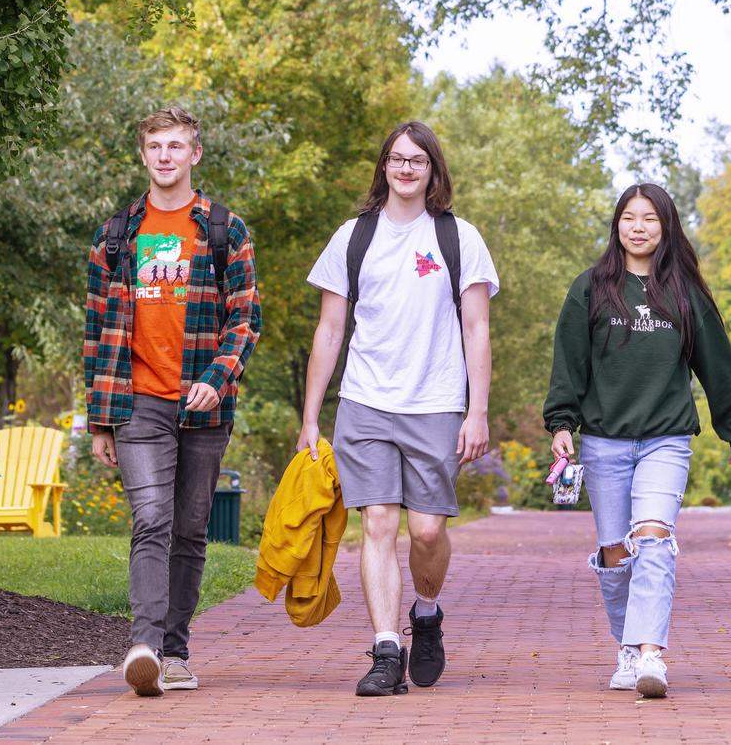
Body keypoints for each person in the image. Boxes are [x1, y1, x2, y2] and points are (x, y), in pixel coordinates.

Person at [297, 121, 498, 696]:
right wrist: (311, 416)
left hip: (436, 403)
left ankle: (426, 614)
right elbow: (330, 330)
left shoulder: (458, 238)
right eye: (396, 159)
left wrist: (476, 410)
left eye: (417, 161)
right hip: (364, 401)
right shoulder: (352, 237)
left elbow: (477, 328)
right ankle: (387, 650)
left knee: (428, 530)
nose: (405, 169)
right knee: (378, 524)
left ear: (433, 170)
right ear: (383, 166)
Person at [542, 183, 731, 699]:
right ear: (617, 226)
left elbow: (717, 364)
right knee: (616, 554)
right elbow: (569, 364)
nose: (639, 227)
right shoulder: (590, 289)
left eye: (651, 219)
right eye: (630, 218)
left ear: (667, 227)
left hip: (666, 438)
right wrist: (561, 423)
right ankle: (627, 649)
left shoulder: (685, 292)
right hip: (604, 441)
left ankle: (651, 652)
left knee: (653, 539)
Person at [83, 106, 262, 697]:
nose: (165, 156)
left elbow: (245, 316)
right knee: (151, 519)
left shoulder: (224, 230)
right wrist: (100, 419)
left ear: (195, 154)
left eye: (176, 146)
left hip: (204, 401)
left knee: (189, 527)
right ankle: (145, 647)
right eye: (155, 146)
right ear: (143, 155)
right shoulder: (116, 234)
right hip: (138, 402)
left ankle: (177, 652)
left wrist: (220, 373)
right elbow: (95, 328)